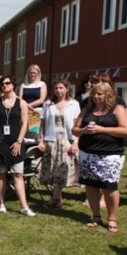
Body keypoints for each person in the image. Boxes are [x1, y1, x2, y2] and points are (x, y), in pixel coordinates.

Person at [72, 82, 127, 233]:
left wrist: (102, 130)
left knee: (109, 187)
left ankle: (112, 218)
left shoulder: (117, 109)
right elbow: (75, 129)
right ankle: (96, 216)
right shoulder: (87, 109)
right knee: (91, 185)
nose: (96, 97)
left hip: (110, 155)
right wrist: (84, 130)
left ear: (108, 95)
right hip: (87, 153)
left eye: (100, 94)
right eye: (94, 94)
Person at [0, 74, 35, 216]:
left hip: (16, 142)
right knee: (1, 173)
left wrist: (19, 141)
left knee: (18, 174)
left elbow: (25, 123)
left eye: (7, 83)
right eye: (2, 84)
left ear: (13, 85)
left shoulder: (22, 103)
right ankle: (1, 203)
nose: (4, 86)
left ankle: (24, 207)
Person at [38, 80, 81, 208]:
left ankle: (55, 198)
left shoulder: (74, 104)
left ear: (67, 88)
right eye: (56, 88)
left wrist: (76, 142)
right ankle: (57, 198)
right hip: (52, 139)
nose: (58, 90)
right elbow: (43, 124)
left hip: (67, 140)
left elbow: (77, 124)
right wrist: (41, 140)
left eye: (61, 88)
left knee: (62, 170)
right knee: (53, 170)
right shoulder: (48, 104)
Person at [18, 64, 48, 138]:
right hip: (24, 112)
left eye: (34, 73)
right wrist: (25, 107)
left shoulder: (42, 84)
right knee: (23, 134)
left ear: (38, 74)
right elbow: (19, 99)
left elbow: (41, 100)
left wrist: (27, 106)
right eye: (31, 73)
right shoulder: (23, 85)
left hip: (36, 112)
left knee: (33, 135)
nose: (32, 74)